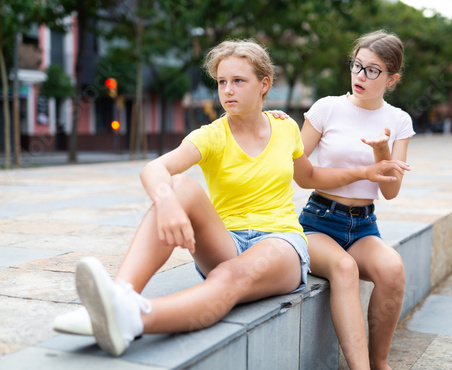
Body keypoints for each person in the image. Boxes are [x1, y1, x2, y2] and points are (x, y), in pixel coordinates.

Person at [52, 39, 409, 357]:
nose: (228, 90)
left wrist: (366, 171)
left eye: (238, 81)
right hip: (226, 239)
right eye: (222, 82)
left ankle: (131, 317)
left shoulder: (285, 127)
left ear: (263, 84)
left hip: (280, 242)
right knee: (181, 188)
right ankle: (119, 294)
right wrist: (167, 202)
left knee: (230, 276)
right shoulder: (211, 135)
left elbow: (310, 177)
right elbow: (154, 169)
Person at [294, 30, 414, 370]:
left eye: (373, 70)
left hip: (363, 225)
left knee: (392, 270)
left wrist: (381, 150)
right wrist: (283, 134)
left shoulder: (399, 120)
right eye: (357, 65)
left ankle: (379, 363)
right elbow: (300, 174)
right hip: (319, 220)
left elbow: (390, 191)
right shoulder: (326, 108)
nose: (360, 75)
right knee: (344, 268)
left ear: (392, 78)